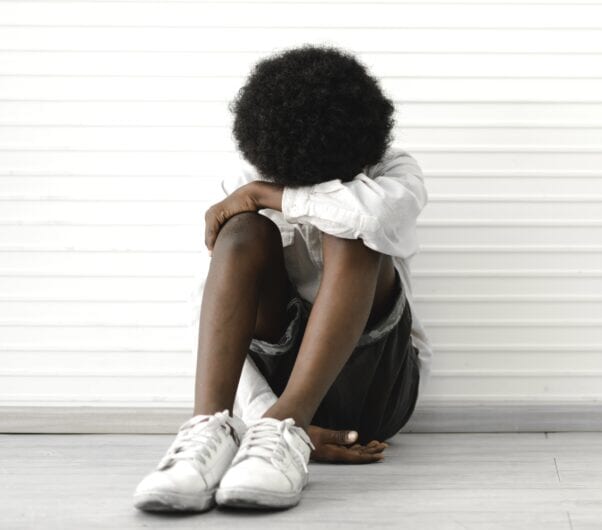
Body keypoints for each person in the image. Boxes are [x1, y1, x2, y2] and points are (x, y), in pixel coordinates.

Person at [132, 44, 432, 512]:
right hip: (271, 394)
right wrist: (258, 417)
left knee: (352, 231)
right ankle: (210, 432)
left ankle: (287, 425)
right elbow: (207, 307)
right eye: (283, 179)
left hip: (376, 390)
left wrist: (271, 196)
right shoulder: (248, 176)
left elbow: (373, 218)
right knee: (242, 232)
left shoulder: (393, 169)